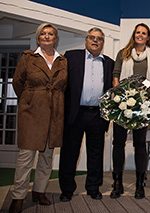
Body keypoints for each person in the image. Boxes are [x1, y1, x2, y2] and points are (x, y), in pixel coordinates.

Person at [9, 23, 67, 213]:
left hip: (54, 114)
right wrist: (31, 100)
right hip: (32, 112)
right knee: (26, 157)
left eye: (50, 34)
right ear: (38, 37)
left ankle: (39, 191)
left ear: (55, 38)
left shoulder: (62, 60)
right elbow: (18, 83)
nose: (47, 36)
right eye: (43, 34)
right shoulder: (28, 57)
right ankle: (18, 195)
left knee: (47, 156)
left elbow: (63, 87)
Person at [59, 27, 114, 202]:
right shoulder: (71, 57)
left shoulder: (109, 63)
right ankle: (67, 189)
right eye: (92, 37)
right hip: (75, 113)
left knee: (96, 153)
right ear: (86, 40)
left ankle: (93, 187)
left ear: (103, 43)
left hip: (97, 115)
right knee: (69, 153)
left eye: (99, 38)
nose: (95, 41)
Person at [110, 23, 150, 199]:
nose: (140, 35)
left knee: (140, 144)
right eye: (138, 32)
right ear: (134, 34)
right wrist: (122, 96)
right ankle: (117, 183)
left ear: (148, 37)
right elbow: (116, 75)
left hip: (142, 107)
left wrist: (139, 96)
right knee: (118, 143)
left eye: (144, 33)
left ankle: (140, 184)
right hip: (122, 106)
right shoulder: (122, 54)